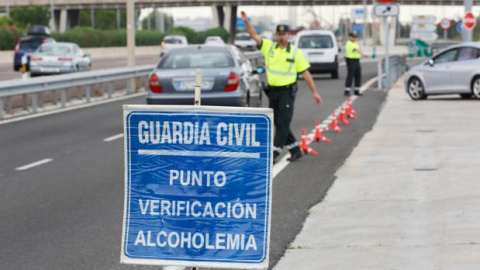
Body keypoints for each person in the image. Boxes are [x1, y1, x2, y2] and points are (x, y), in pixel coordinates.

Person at [241, 11, 323, 163]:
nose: (282, 37)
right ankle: (295, 150)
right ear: (276, 35)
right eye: (279, 34)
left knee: (283, 123)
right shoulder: (269, 48)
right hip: (272, 92)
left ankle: (274, 153)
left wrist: (315, 92)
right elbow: (255, 36)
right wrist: (246, 22)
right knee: (278, 122)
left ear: (289, 36)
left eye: (284, 34)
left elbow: (305, 73)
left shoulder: (295, 53)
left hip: (287, 92)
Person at [344, 32, 365, 96]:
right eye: (353, 37)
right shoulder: (348, 43)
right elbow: (356, 49)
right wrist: (363, 54)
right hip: (351, 61)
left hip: (357, 60)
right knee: (350, 76)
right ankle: (347, 91)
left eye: (355, 37)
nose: (354, 38)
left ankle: (357, 90)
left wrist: (361, 54)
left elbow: (358, 49)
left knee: (358, 75)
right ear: (350, 37)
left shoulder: (355, 43)